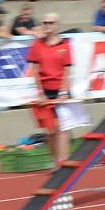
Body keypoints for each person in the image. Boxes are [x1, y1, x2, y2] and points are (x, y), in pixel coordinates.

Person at [26, 13, 72, 165]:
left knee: (61, 128)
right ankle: (55, 160)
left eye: (51, 23)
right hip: (45, 91)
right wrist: (40, 93)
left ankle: (62, 161)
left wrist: (64, 91)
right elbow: (35, 70)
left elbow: (67, 71)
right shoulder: (37, 45)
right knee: (50, 131)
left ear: (57, 25)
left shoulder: (65, 45)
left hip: (61, 89)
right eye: (45, 22)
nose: (47, 25)